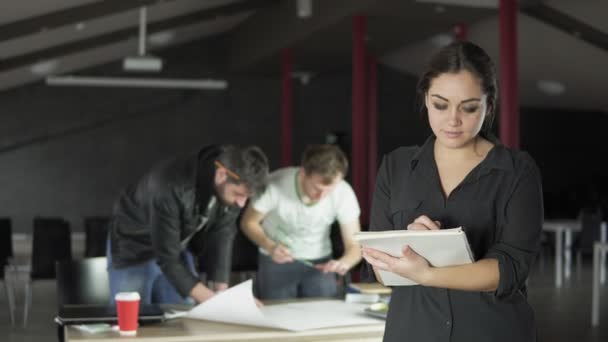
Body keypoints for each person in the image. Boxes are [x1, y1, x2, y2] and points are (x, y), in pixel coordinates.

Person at [361, 41, 543, 342]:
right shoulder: (396, 166)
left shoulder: (517, 171)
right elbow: (379, 266)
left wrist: (427, 273)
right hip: (412, 331)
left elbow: (510, 269)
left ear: (490, 105)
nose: (453, 120)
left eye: (469, 107)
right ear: (426, 100)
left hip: (492, 332)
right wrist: (410, 245)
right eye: (440, 104)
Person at [107, 145, 269, 305]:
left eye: (247, 198)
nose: (242, 204)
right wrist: (219, 304)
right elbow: (168, 259)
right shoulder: (170, 185)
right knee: (132, 320)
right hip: (134, 246)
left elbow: (223, 232)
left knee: (182, 316)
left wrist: (222, 290)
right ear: (221, 175)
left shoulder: (229, 183)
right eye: (239, 194)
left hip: (175, 246)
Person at [241, 144, 362, 299]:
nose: (322, 196)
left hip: (321, 262)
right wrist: (270, 246)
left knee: (323, 316)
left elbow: (355, 245)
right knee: (277, 317)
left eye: (329, 190)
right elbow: (248, 222)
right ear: (303, 173)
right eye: (317, 188)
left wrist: (344, 263)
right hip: (275, 259)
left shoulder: (343, 192)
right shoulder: (274, 184)